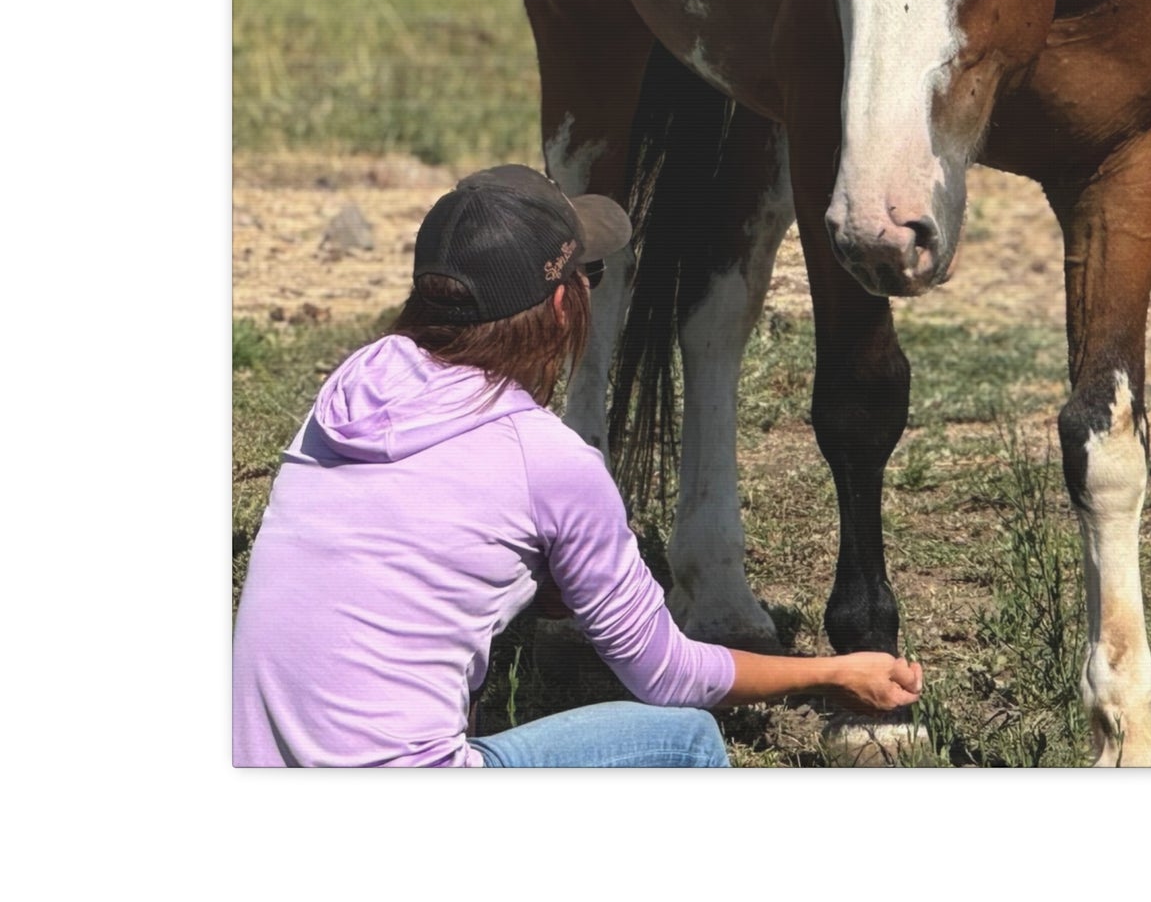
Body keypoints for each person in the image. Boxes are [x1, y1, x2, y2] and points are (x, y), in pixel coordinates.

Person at [233, 164, 923, 767]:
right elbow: (667, 675)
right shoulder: (547, 457)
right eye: (589, 274)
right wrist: (833, 671)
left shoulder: (345, 392)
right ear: (562, 301)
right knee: (685, 739)